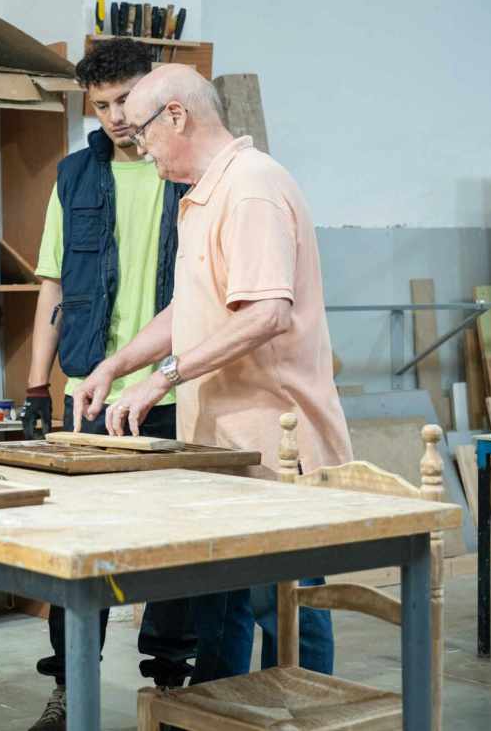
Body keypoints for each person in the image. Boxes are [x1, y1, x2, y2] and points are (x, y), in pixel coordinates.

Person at [71, 64, 353, 684]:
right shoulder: (202, 195)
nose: (140, 149)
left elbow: (267, 313)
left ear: (176, 116)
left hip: (278, 448)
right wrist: (117, 365)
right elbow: (190, 309)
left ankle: (301, 717)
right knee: (222, 609)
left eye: (142, 133)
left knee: (288, 610)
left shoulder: (251, 188)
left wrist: (165, 376)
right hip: (224, 449)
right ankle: (216, 717)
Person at [20, 39, 195, 731]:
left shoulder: (186, 169)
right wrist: (37, 387)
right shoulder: (73, 177)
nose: (118, 116)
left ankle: (172, 686)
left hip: (178, 392)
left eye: (127, 100)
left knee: (179, 550)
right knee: (79, 550)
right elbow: (54, 286)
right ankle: (71, 690)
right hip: (91, 396)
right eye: (102, 106)